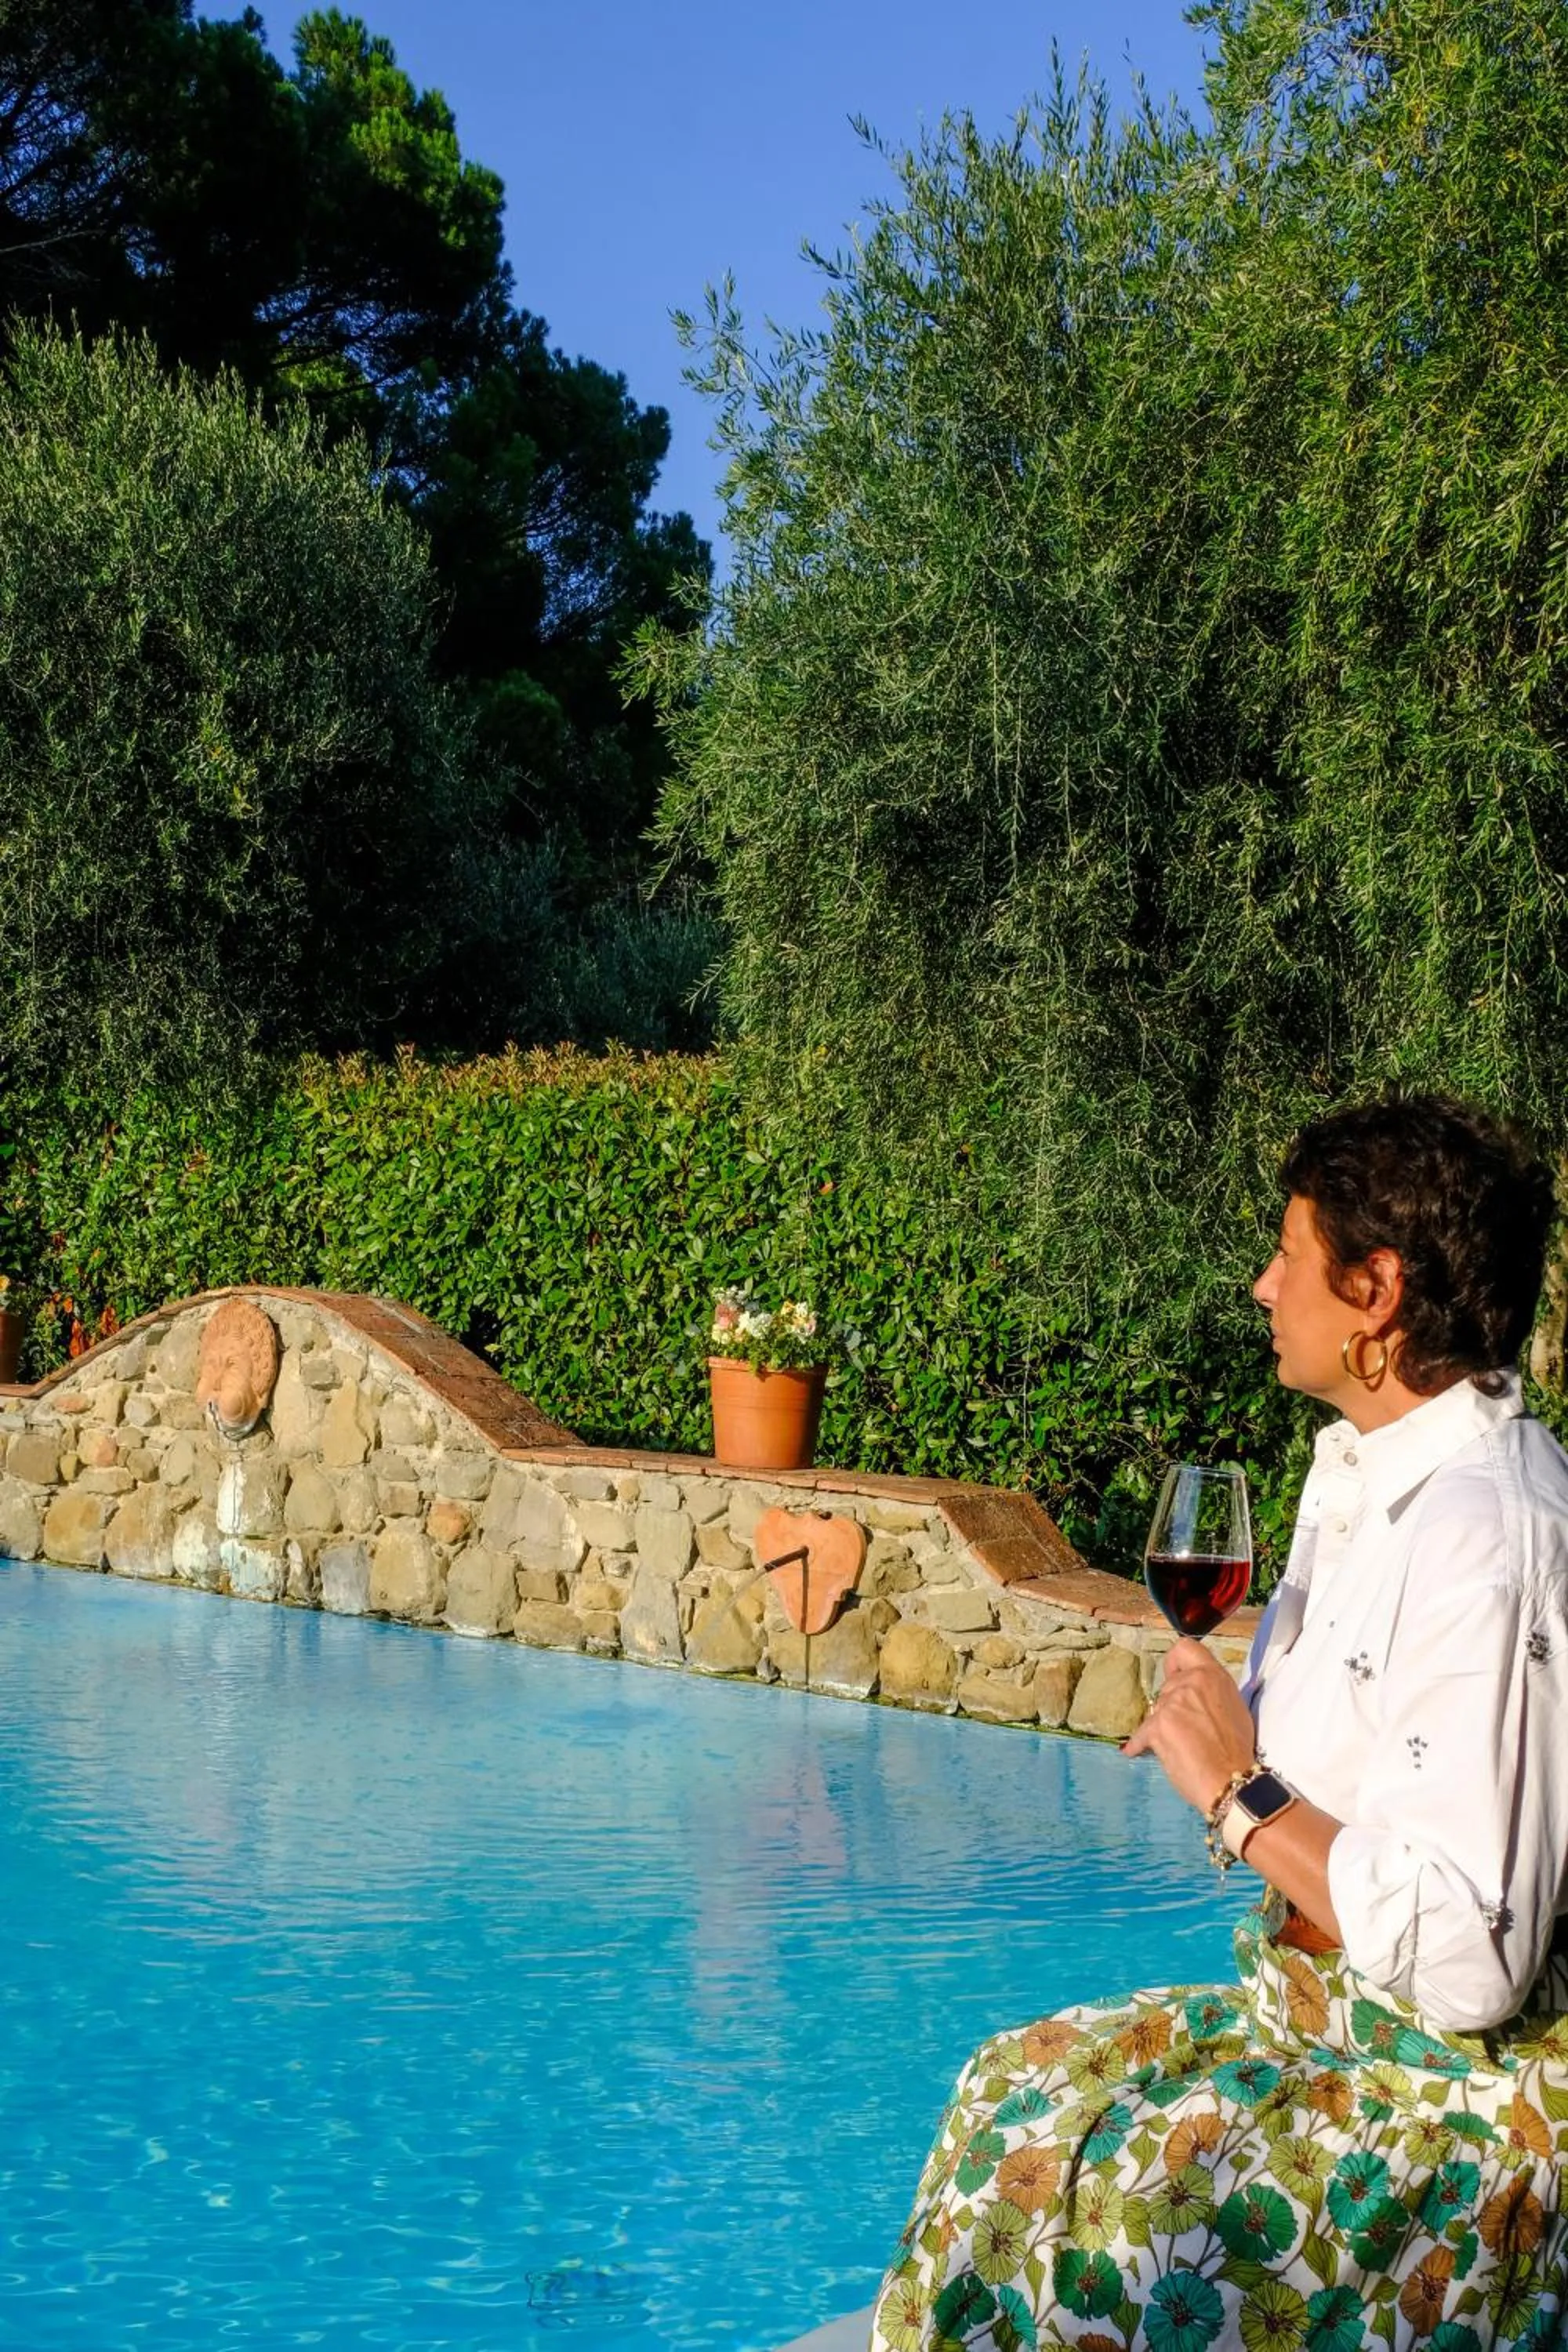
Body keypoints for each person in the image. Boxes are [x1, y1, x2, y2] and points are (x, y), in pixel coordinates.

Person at [870, 1095, 1568, 2352]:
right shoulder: (1359, 1474)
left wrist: (1241, 1795)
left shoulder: (1488, 1536)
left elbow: (1472, 1959)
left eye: (1289, 1257)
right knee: (1004, 2092)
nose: (1260, 1286)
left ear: (1377, 1293)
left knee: (1123, 2199)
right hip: (1312, 2008)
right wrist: (1222, 1734)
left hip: (1452, 2093)